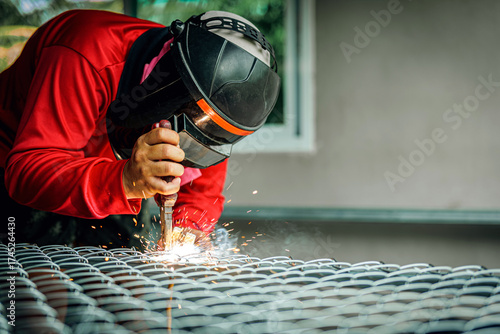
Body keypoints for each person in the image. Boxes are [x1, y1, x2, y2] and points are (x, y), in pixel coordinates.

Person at [0, 9, 280, 250]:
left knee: (126, 287)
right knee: (45, 293)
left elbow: (203, 189)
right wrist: (124, 181)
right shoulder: (85, 52)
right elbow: (27, 169)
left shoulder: (213, 106)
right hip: (21, 166)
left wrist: (188, 227)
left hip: (115, 171)